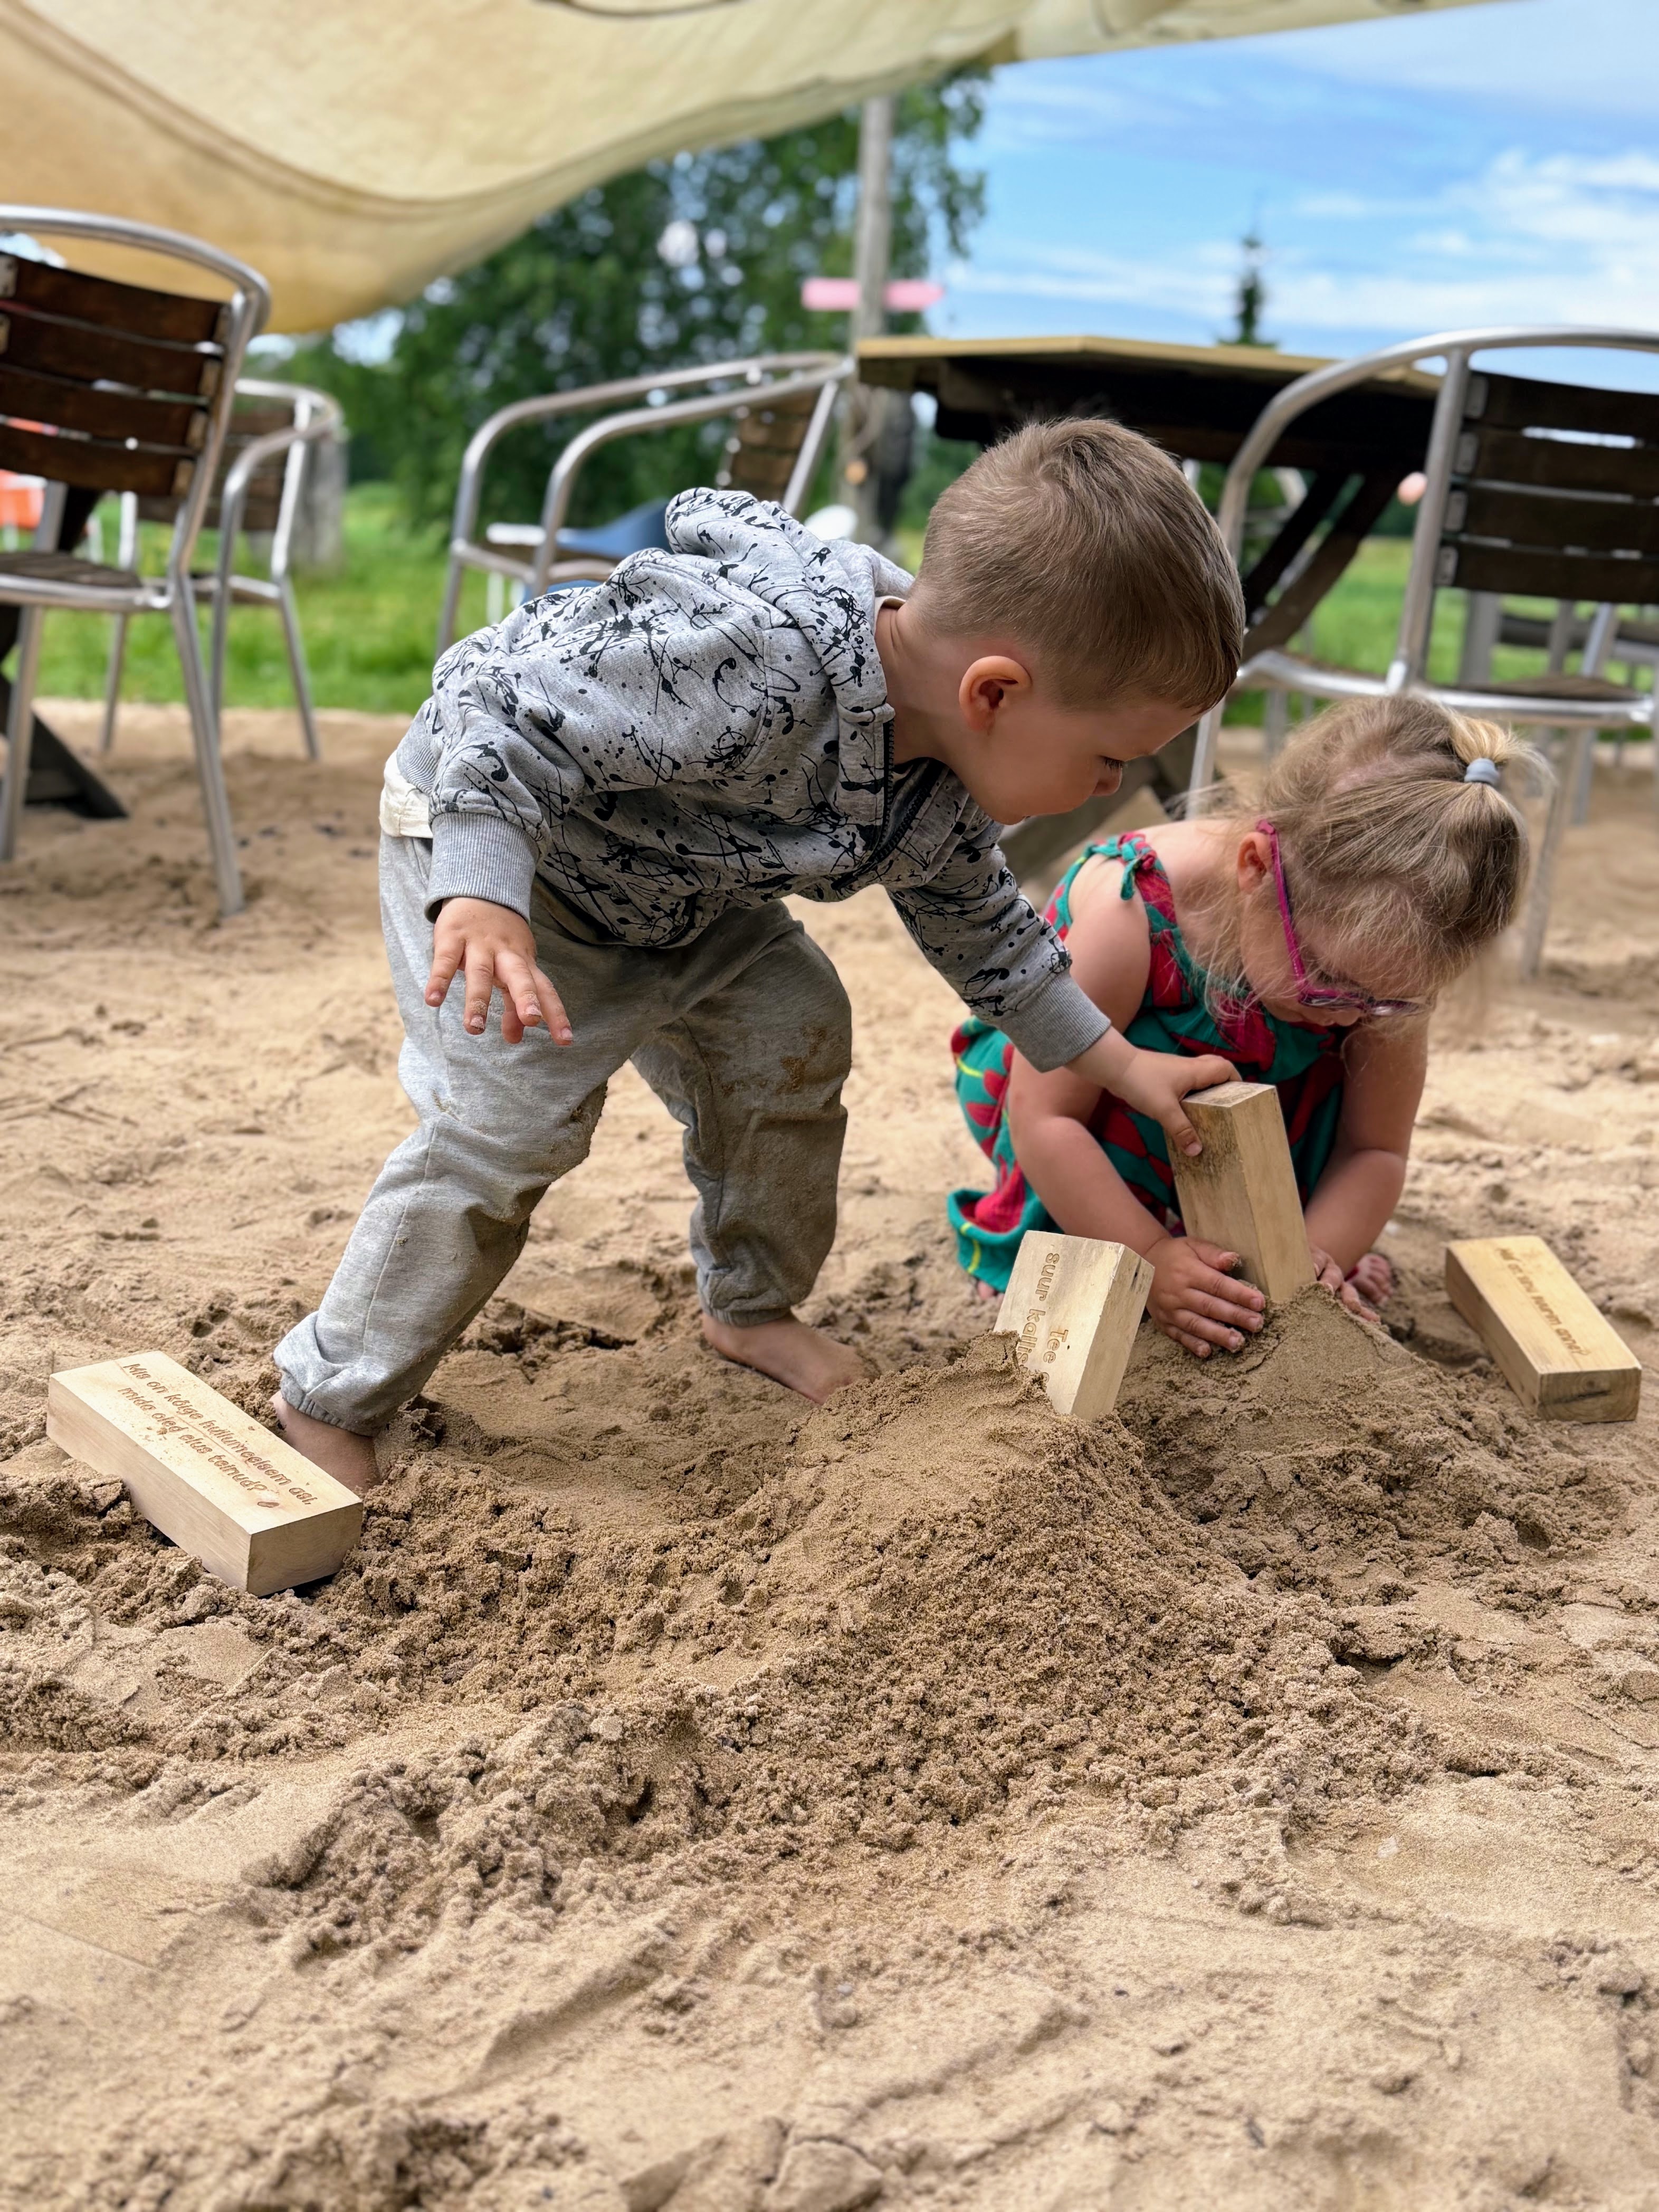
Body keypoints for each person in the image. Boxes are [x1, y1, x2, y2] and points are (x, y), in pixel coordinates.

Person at [272, 420, 1246, 1493]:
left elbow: (993, 941)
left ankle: (749, 1305)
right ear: (994, 693)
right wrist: (482, 887)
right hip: (504, 863)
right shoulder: (750, 669)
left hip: (684, 893)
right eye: (1107, 758)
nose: (1111, 788)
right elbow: (503, 711)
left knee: (794, 1032)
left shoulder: (939, 784)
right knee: (505, 1130)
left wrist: (1120, 1064)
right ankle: (330, 1393)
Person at [950, 698, 1538, 1358]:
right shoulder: (1132, 911)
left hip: (1268, 1095)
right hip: (1078, 1092)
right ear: (1256, 867)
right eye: (1326, 977)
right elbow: (1045, 1118)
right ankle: (1117, 1232)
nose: (1348, 1012)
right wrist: (1151, 1259)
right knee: (1121, 1112)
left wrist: (1318, 1256)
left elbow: (1375, 1150)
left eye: (1385, 1001)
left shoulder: (1376, 979)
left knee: (1344, 1087)